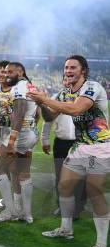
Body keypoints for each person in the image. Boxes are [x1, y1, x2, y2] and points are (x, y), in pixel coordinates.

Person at [29, 55, 109, 247]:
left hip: (100, 147)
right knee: (64, 186)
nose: (68, 70)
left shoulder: (92, 87)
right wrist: (40, 102)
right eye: (66, 67)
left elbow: (76, 109)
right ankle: (66, 229)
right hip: (80, 146)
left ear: (83, 70)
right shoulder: (66, 92)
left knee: (94, 190)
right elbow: (49, 117)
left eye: (73, 67)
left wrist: (45, 99)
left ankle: (101, 244)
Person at [0, 62, 38, 223]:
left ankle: (10, 211)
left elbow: (19, 113)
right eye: (5, 72)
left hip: (19, 133)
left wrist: (12, 140)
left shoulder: (18, 88)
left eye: (10, 72)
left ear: (21, 72)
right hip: (31, 132)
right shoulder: (30, 86)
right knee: (23, 172)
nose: (6, 74)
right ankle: (26, 213)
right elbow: (38, 112)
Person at [41, 76, 86, 218]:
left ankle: (78, 208)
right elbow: (48, 121)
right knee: (60, 177)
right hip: (61, 143)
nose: (68, 82)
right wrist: (45, 139)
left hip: (81, 143)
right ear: (62, 82)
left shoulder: (86, 97)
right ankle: (61, 206)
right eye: (65, 80)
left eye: (70, 79)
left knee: (80, 177)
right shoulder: (57, 97)